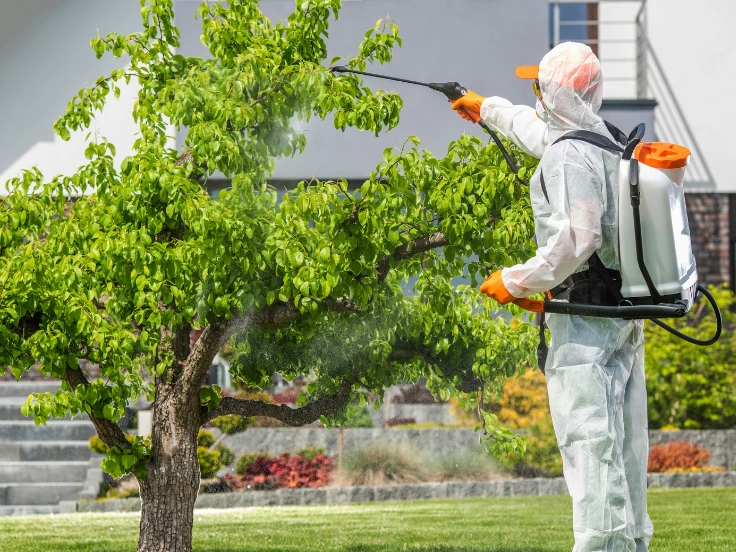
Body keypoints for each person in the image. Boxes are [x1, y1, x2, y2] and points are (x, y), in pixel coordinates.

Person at [451, 41, 653, 552]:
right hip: (620, 314)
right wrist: (488, 108)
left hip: (585, 323)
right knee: (625, 444)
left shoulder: (569, 157)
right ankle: (631, 543)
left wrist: (516, 280)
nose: (535, 94)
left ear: (557, 92)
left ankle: (600, 546)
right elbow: (538, 133)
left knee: (590, 442)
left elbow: (578, 239)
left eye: (539, 86)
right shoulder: (603, 141)